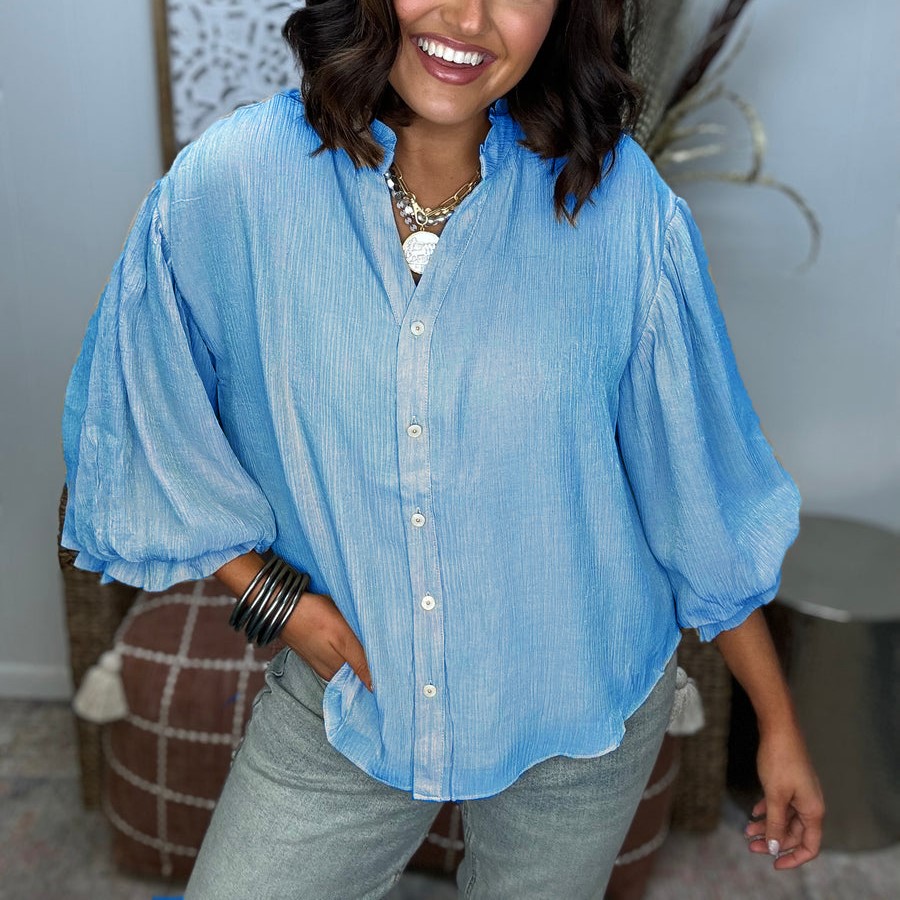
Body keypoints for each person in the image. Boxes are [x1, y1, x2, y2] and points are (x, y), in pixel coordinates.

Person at [61, 0, 825, 896]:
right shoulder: (236, 183)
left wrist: (778, 725)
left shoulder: (624, 210)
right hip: (353, 696)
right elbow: (138, 412)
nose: (468, 18)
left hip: (581, 706)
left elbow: (700, 495)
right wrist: (275, 601)